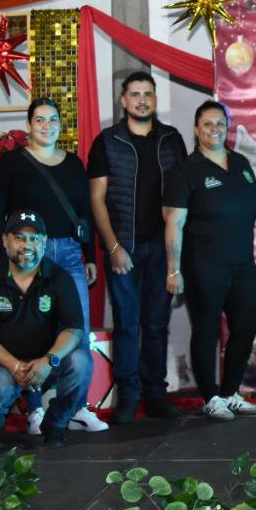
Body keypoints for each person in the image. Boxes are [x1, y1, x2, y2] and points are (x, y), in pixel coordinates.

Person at [0, 98, 106, 433]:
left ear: (60, 124)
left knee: (77, 330)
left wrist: (91, 257)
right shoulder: (11, 164)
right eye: (39, 120)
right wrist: (0, 255)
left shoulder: (72, 164)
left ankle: (75, 406)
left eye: (52, 119)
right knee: (33, 331)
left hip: (69, 251)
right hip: (26, 255)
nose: (46, 125)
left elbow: (84, 215)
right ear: (29, 125)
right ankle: (35, 410)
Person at [88, 72, 186, 422]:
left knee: (157, 324)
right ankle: (128, 398)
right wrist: (113, 247)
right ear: (123, 101)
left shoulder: (172, 139)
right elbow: (96, 199)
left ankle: (156, 395)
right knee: (128, 325)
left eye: (148, 94)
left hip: (163, 248)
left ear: (154, 99)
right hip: (124, 247)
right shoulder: (107, 141)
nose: (142, 100)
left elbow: (181, 200)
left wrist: (176, 256)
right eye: (135, 94)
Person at [164, 101, 256, 421]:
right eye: (207, 124)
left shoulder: (241, 163)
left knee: (245, 327)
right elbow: (174, 223)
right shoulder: (186, 170)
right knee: (206, 331)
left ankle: (230, 392)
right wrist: (173, 269)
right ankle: (210, 396)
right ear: (196, 129)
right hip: (204, 265)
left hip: (242, 264)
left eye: (220, 123)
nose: (214, 129)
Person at [0, 211, 90, 448]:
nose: (27, 245)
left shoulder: (60, 277)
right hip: (4, 360)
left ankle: (56, 423)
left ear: (44, 243)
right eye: (19, 238)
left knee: (81, 363)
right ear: (5, 241)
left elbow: (74, 329)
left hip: (47, 359)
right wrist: (13, 365)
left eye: (34, 239)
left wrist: (48, 360)